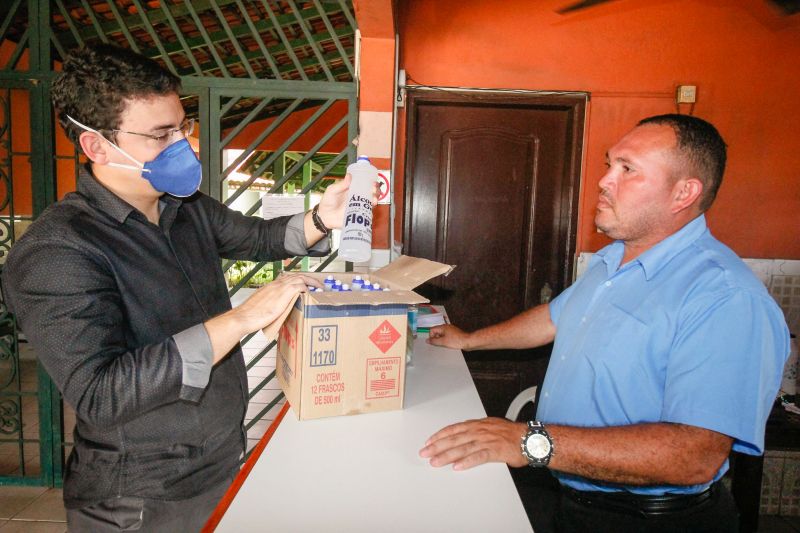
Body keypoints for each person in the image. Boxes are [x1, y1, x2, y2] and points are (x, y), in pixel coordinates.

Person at [1, 44, 361, 532]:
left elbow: (259, 238)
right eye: (160, 135)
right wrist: (242, 318)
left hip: (217, 455)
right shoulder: (59, 250)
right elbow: (100, 393)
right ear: (98, 146)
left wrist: (323, 217)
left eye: (182, 127)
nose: (184, 146)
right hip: (141, 494)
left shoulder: (183, 207)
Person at [420, 114, 790, 532]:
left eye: (628, 169)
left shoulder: (726, 298)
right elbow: (553, 318)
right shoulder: (614, 259)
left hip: (649, 520)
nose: (605, 180)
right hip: (573, 496)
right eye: (609, 164)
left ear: (683, 193)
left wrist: (528, 440)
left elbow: (695, 454)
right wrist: (470, 340)